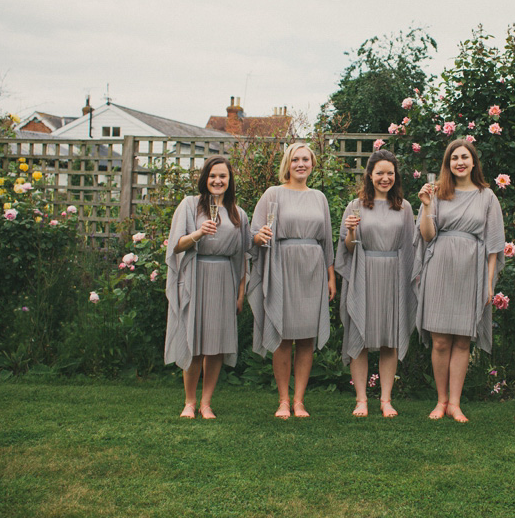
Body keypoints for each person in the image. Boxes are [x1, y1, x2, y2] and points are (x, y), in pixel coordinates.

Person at [415, 139, 505, 422]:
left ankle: (455, 403)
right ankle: (441, 401)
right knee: (440, 340)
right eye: (454, 158)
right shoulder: (437, 193)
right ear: (448, 164)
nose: (460, 162)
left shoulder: (487, 196)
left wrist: (489, 283)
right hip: (441, 266)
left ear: (473, 162)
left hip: (472, 269)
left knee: (463, 341)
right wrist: (427, 206)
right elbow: (428, 235)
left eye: (465, 157)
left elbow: (493, 245)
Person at [247, 142, 336, 419]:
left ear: (312, 164)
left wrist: (331, 277)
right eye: (295, 159)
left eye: (306, 159)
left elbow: (328, 242)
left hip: (313, 270)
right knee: (284, 335)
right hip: (282, 267)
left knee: (307, 338)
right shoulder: (273, 194)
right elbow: (254, 231)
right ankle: (283, 400)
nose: (301, 164)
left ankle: (299, 401)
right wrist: (259, 237)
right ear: (288, 163)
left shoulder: (319, 197)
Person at [165, 155, 250, 419]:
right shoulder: (190, 206)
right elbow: (175, 245)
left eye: (222, 176)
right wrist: (198, 234)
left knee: (215, 344)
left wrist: (240, 293)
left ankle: (206, 403)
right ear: (205, 179)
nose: (217, 180)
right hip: (196, 275)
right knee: (194, 341)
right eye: (213, 176)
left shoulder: (239, 214)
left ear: (229, 180)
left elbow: (242, 255)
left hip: (224, 278)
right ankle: (189, 402)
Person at [335, 149, 415, 418]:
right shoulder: (355, 206)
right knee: (360, 336)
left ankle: (385, 399)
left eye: (390, 173)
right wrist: (351, 231)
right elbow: (348, 249)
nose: (385, 178)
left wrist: (408, 282)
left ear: (396, 176)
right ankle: (361, 399)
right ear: (369, 175)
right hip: (364, 274)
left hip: (393, 275)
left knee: (389, 339)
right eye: (379, 172)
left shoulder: (404, 208)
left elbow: (410, 248)